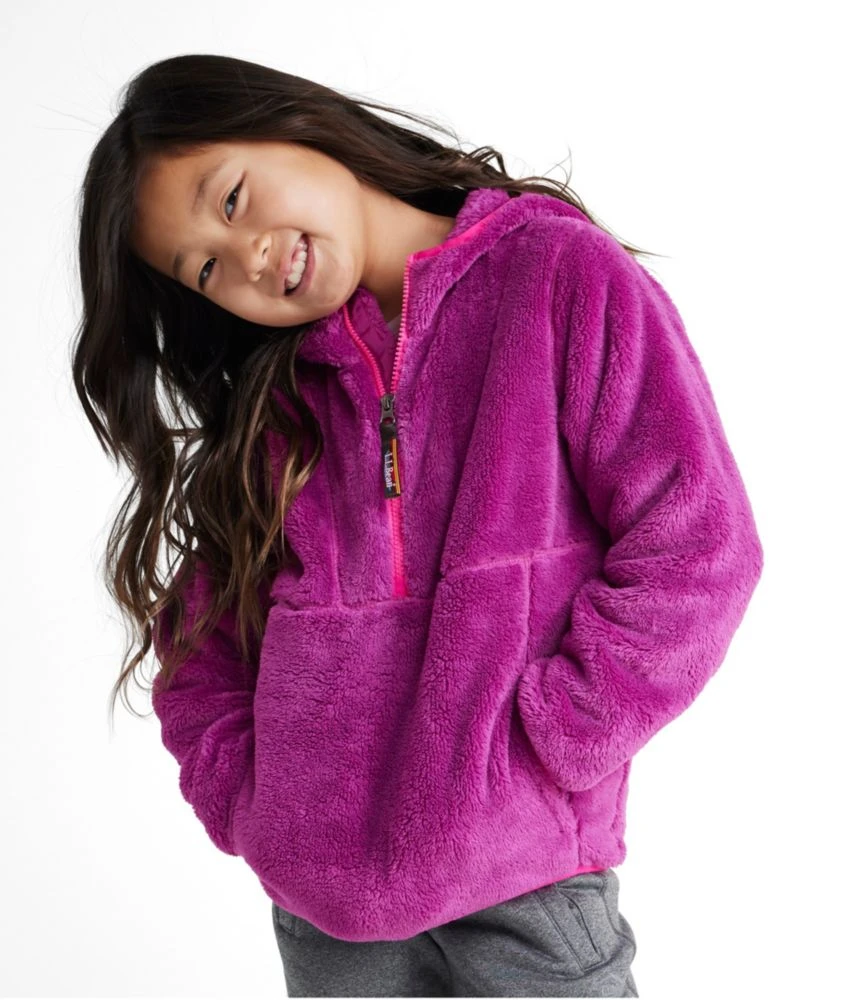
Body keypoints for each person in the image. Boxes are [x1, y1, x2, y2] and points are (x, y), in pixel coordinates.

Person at [73, 53, 764, 998]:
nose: (249, 258)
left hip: (524, 888)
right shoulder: (275, 403)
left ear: (290, 121)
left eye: (231, 201)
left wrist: (547, 746)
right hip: (331, 928)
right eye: (207, 269)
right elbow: (199, 643)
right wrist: (258, 807)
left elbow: (697, 547)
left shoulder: (555, 277)